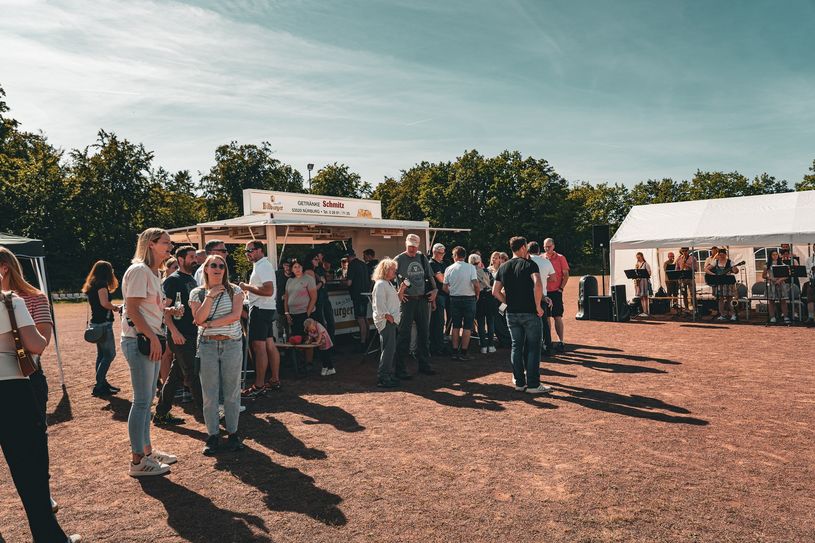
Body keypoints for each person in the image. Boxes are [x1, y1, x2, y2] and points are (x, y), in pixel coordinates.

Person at [1, 271, 82, 542]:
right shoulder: (10, 301)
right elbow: (36, 344)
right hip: (11, 386)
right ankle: (48, 536)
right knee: (29, 466)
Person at [2, 247, 63, 514]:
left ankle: (42, 493)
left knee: (35, 443)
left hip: (27, 376)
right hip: (8, 377)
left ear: (4, 267)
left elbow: (42, 342)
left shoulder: (33, 298)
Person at [121, 227, 177, 477]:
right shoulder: (139, 270)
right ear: (151, 244)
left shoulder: (154, 273)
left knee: (146, 401)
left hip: (150, 338)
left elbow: (148, 307)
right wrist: (151, 336)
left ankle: (147, 452)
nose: (170, 247)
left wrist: (169, 314)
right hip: (140, 340)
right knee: (142, 401)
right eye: (166, 243)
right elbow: (131, 309)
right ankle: (137, 461)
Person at [189, 254, 246, 455]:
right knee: (210, 394)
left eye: (221, 265)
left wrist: (210, 324)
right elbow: (198, 318)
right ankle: (213, 436)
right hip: (207, 346)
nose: (218, 268)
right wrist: (211, 295)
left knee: (232, 393)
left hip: (231, 345)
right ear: (205, 268)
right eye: (213, 265)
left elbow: (235, 317)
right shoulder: (197, 293)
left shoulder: (236, 290)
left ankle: (233, 434)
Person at [492, 236, 549, 394]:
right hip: (530, 312)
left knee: (516, 347)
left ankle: (519, 382)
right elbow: (538, 283)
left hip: (512, 313)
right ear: (523, 247)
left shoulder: (503, 267)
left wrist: (507, 302)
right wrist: (538, 305)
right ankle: (533, 384)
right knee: (533, 347)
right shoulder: (530, 264)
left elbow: (495, 291)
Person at [154, 245, 203, 425]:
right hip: (180, 336)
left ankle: (160, 414)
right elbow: (164, 310)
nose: (195, 260)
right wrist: (174, 332)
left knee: (176, 376)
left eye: (195, 257)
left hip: (191, 333)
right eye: (191, 257)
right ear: (180, 259)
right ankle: (208, 415)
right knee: (192, 374)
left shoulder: (190, 279)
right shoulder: (172, 280)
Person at [239, 241, 281, 396]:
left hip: (260, 309)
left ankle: (258, 385)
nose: (247, 253)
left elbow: (269, 290)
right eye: (246, 251)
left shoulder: (263, 266)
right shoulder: (262, 265)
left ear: (260, 250)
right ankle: (274, 379)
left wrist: (246, 287)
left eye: (250, 250)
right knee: (269, 344)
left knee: (259, 347)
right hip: (265, 308)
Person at [394, 234, 437, 377]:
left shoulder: (422, 257)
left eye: (414, 246)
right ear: (406, 245)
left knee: (424, 333)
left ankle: (424, 364)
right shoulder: (399, 259)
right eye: (410, 246)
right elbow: (388, 277)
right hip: (407, 301)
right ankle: (400, 368)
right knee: (404, 334)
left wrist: (435, 291)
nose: (412, 249)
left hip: (422, 300)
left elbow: (430, 276)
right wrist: (398, 292)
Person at [81, 260, 122, 397]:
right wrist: (116, 307)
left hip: (96, 323)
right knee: (110, 354)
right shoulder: (102, 284)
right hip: (104, 324)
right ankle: (99, 385)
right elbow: (105, 303)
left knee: (102, 355)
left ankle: (102, 383)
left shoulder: (92, 284)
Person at [443, 246, 479, 361]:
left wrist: (452, 292)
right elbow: (476, 284)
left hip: (454, 298)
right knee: (467, 326)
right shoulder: (471, 268)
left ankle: (454, 351)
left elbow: (444, 287)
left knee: (456, 326)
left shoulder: (449, 268)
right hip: (469, 298)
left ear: (455, 256)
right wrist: (477, 294)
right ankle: (464, 352)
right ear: (464, 255)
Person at [371, 259, 401, 388]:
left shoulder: (386, 283)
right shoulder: (381, 284)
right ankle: (383, 377)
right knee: (389, 349)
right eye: (392, 269)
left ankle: (386, 375)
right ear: (385, 270)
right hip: (387, 321)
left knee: (389, 349)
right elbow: (379, 304)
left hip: (390, 320)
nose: (395, 271)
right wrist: (388, 317)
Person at [284, 260, 318, 360]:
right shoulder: (289, 281)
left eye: (299, 266)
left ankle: (309, 362)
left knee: (308, 338)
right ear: (292, 269)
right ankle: (299, 362)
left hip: (306, 313)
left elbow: (314, 298)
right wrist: (287, 313)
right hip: (293, 314)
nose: (297, 269)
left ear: (302, 267)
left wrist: (307, 313)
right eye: (295, 267)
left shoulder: (309, 279)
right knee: (296, 338)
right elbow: (286, 298)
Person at [528, 242, 555, 354]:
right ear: (539, 251)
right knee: (544, 323)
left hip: (528, 296)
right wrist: (543, 279)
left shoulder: (527, 262)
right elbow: (553, 278)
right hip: (543, 296)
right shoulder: (545, 261)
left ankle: (532, 347)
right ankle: (548, 346)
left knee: (528, 323)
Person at [543, 238, 569, 353]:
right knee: (546, 317)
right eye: (545, 247)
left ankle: (561, 341)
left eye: (549, 246)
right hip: (544, 293)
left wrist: (561, 289)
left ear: (553, 246)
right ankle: (548, 342)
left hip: (556, 292)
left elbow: (566, 274)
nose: (547, 249)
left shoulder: (560, 258)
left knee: (557, 316)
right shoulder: (541, 258)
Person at [344, 250, 370, 352]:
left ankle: (363, 344)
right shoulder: (363, 264)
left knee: (360, 319)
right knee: (364, 317)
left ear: (348, 258)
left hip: (358, 295)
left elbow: (349, 283)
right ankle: (367, 340)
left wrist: (343, 282)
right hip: (365, 294)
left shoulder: (352, 265)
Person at [471, 254, 497, 354]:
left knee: (481, 324)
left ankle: (483, 346)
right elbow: (493, 284)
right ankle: (491, 345)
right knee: (491, 322)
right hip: (489, 296)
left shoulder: (471, 271)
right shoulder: (487, 271)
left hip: (479, 297)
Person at [704, 248, 739, 322]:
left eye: (723, 255)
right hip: (719, 282)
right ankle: (722, 315)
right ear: (719, 255)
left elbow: (736, 271)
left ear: (725, 255)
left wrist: (735, 269)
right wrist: (714, 274)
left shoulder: (730, 262)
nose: (722, 256)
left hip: (728, 283)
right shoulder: (715, 262)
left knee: (729, 299)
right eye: (720, 255)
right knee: (720, 299)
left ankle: (733, 314)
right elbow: (706, 269)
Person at [428, 243, 449, 355]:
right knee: (437, 322)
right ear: (434, 252)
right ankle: (436, 347)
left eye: (444, 253)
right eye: (441, 253)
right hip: (437, 296)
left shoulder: (442, 263)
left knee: (441, 322)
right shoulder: (432, 264)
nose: (443, 255)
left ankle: (439, 345)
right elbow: (442, 279)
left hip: (443, 295)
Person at [311, 252, 336, 339]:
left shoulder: (320, 268)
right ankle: (326, 345)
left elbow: (325, 279)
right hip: (319, 298)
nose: (321, 258)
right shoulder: (313, 270)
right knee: (324, 322)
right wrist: (321, 282)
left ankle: (329, 344)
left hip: (323, 296)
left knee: (329, 322)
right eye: (317, 258)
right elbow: (320, 282)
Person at [764, 250, 791, 324]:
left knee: (783, 301)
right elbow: (764, 275)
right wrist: (771, 278)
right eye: (773, 255)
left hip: (781, 283)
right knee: (771, 301)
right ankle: (772, 317)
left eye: (776, 254)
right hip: (772, 283)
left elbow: (787, 275)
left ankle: (785, 316)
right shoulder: (767, 265)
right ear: (770, 256)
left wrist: (780, 280)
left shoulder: (782, 264)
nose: (775, 256)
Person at [675, 247, 697, 313]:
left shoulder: (693, 258)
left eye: (685, 251)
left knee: (693, 293)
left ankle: (694, 309)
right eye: (683, 251)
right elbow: (677, 269)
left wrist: (687, 266)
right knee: (684, 294)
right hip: (682, 278)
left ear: (688, 251)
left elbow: (696, 269)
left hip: (690, 278)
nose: (684, 252)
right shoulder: (679, 259)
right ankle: (686, 308)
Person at [276, 259, 292, 340]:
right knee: (280, 331)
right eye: (286, 265)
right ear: (283, 266)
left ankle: (291, 351)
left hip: (292, 308)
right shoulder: (278, 274)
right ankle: (282, 350)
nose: (288, 267)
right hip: (280, 307)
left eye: (289, 265)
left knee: (291, 331)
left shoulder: (295, 275)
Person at [633, 252, 652, 317]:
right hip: (638, 281)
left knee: (645, 296)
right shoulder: (637, 264)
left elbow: (649, 273)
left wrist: (643, 274)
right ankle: (643, 311)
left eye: (639, 257)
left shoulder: (646, 264)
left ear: (642, 257)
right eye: (637, 257)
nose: (638, 258)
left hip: (644, 281)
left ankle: (646, 311)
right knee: (641, 297)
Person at [807, 250, 815, 323]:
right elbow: (806, 269)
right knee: (810, 299)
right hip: (812, 281)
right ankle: (810, 316)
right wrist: (811, 271)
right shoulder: (809, 259)